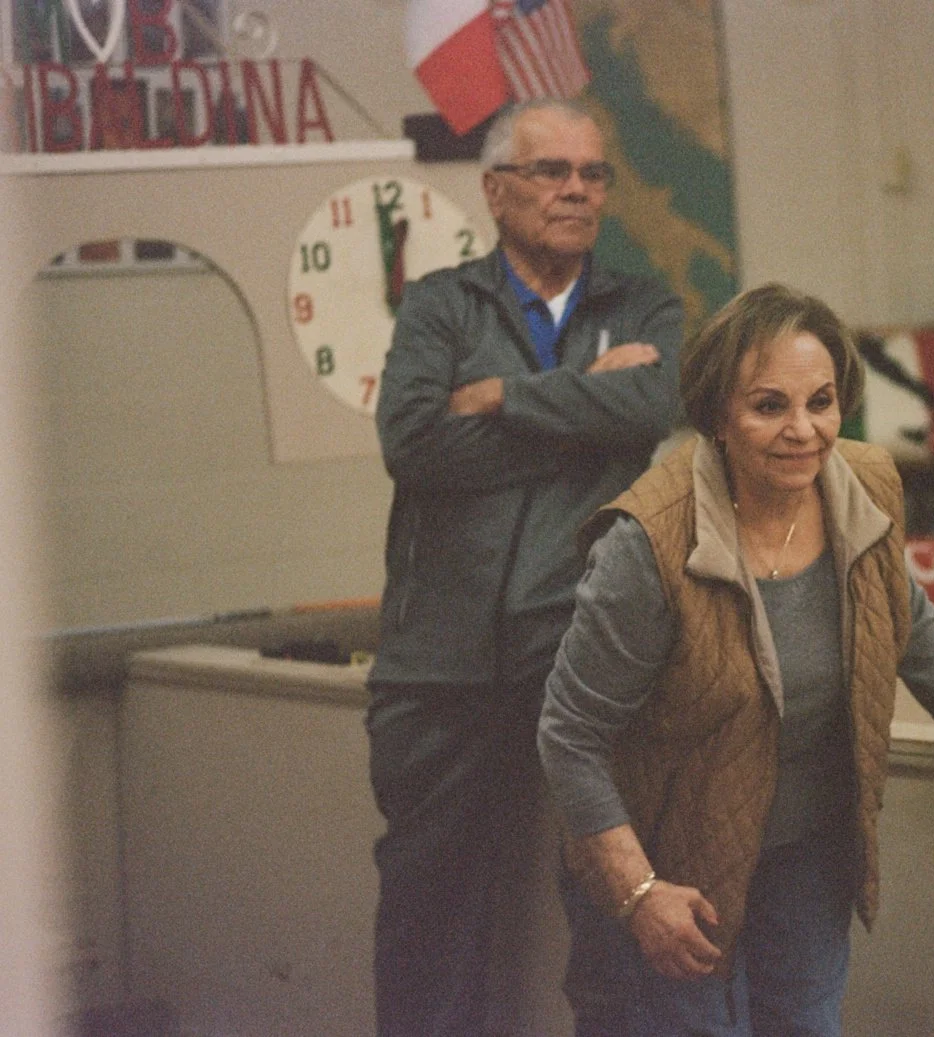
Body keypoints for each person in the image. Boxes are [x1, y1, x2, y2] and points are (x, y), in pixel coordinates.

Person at [537, 282, 934, 1036]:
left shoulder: (861, 484)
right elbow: (569, 735)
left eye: (821, 402)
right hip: (665, 859)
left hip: (803, 851)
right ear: (718, 417)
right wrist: (639, 893)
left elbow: (902, 613)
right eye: (769, 406)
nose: (802, 431)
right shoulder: (648, 544)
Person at [365, 97, 683, 1037]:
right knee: (429, 913)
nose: (577, 191)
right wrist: (585, 404)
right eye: (552, 171)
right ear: (497, 190)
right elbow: (416, 446)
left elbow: (651, 409)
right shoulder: (441, 304)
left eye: (593, 174)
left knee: (613, 898)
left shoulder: (643, 304)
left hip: (586, 650)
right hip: (439, 663)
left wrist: (501, 396)